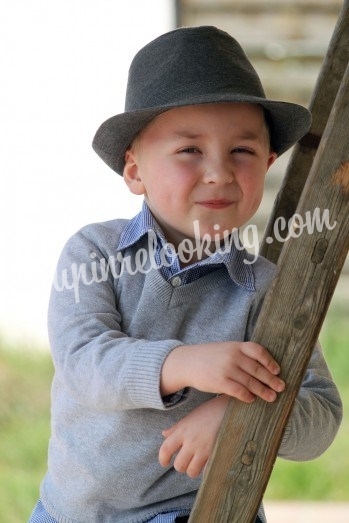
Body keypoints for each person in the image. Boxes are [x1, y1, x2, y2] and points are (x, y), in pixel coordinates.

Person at [28, 26, 342, 523]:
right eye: (189, 150)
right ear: (135, 171)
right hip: (70, 511)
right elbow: (84, 361)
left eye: (241, 151)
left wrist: (239, 415)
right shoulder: (94, 253)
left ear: (268, 163)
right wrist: (187, 363)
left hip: (197, 513)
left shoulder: (266, 288)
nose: (218, 171)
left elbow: (321, 413)